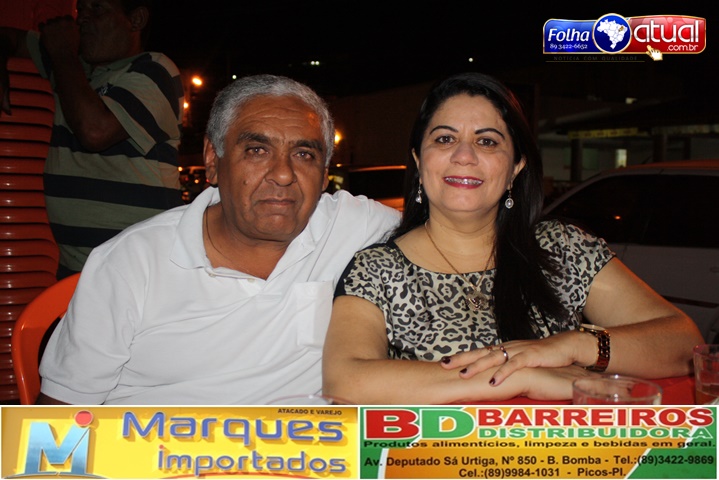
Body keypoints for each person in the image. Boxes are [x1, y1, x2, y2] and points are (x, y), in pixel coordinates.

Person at [322, 72, 703, 404]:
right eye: (445, 139)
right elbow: (346, 381)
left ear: (516, 167)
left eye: (487, 141)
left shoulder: (562, 248)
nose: (464, 155)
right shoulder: (378, 269)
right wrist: (518, 376)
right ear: (420, 162)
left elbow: (682, 342)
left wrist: (569, 346)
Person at [35, 74, 400, 405]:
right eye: (257, 150)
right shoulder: (132, 262)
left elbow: (435, 228)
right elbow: (56, 420)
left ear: (323, 174)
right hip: (157, 450)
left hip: (307, 452)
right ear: (213, 159)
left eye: (304, 154)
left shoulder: (353, 226)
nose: (283, 174)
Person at [0, 0, 184, 279]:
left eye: (97, 9)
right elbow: (9, 36)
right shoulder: (74, 72)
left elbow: (95, 131)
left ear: (136, 19)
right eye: (81, 10)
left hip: (140, 272)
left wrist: (63, 53)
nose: (82, 19)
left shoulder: (155, 69)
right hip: (78, 271)